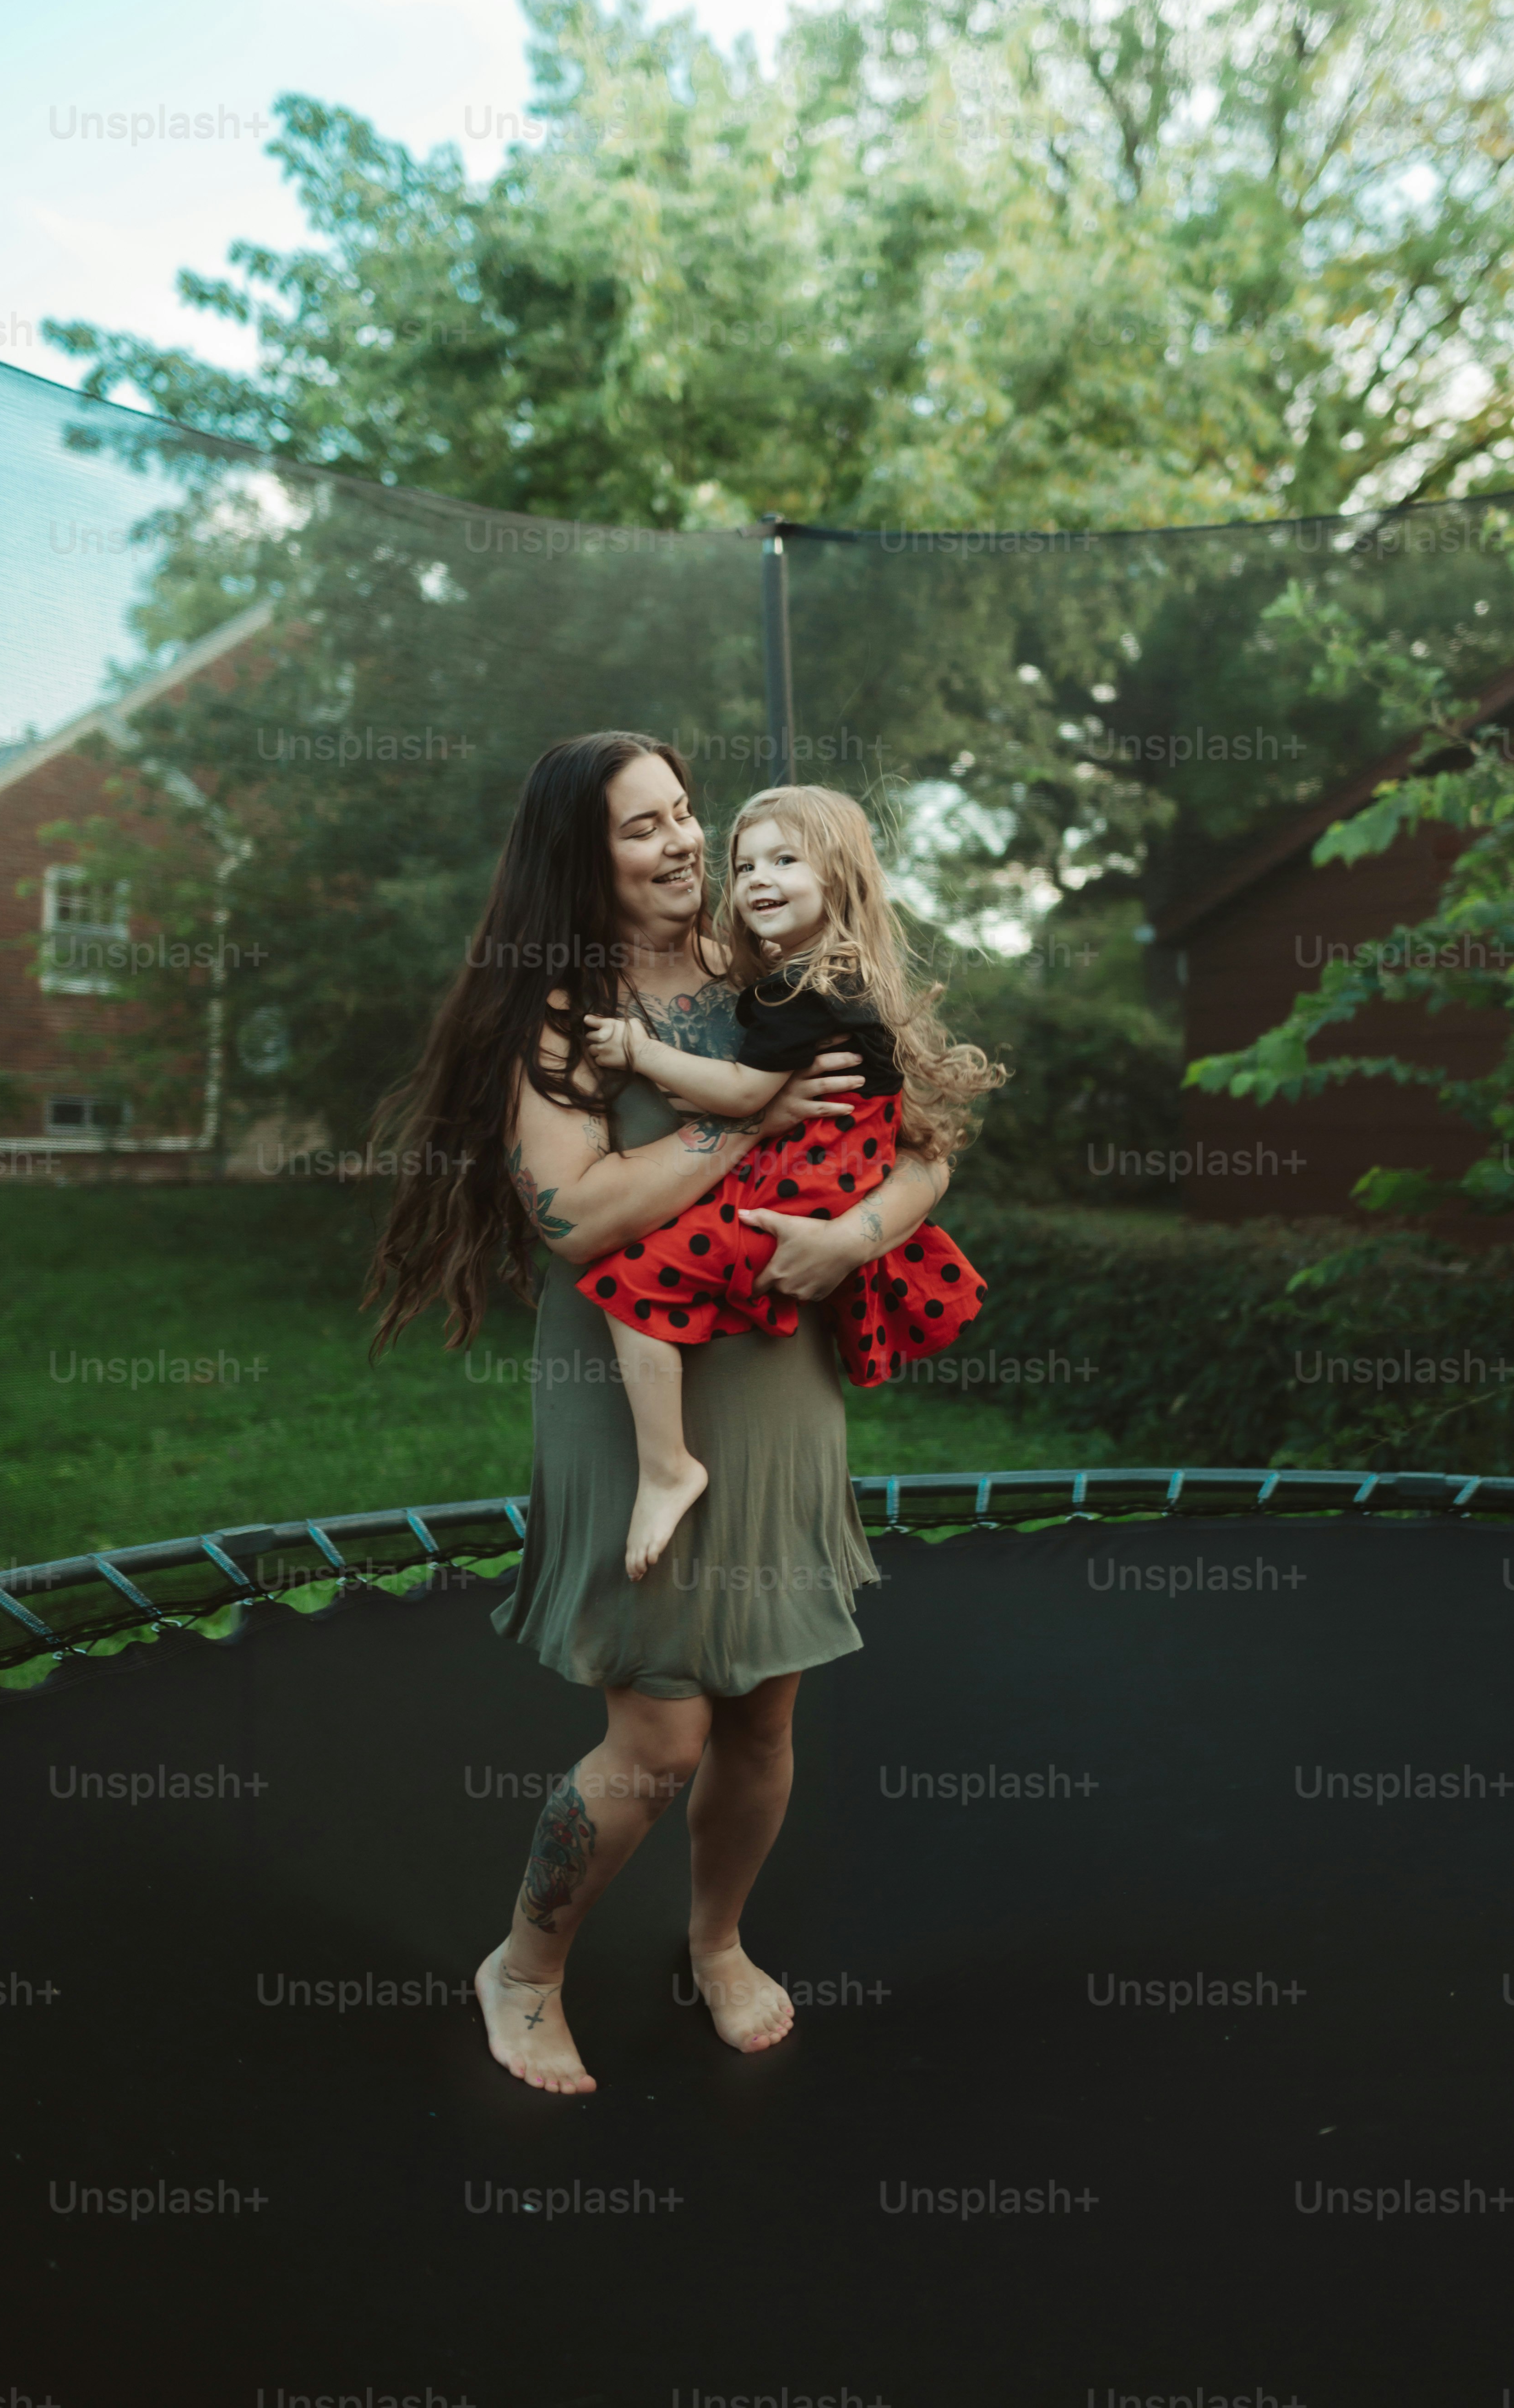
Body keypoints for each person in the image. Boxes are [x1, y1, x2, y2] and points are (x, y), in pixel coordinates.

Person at [365, 732, 957, 2094]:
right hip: (632, 1397)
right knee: (662, 1732)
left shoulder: (772, 957)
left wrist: (856, 1230)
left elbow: (920, 1146)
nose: (689, 843)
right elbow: (576, 1217)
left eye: (689, 814)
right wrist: (749, 1124)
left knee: (761, 1719)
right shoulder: (564, 1009)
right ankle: (523, 1968)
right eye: (649, 828)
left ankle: (716, 1943)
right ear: (585, 856)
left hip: (778, 1379)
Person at [579, 785, 1000, 1580]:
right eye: (743, 866)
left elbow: (743, 1094)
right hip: (828, 1175)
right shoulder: (838, 974)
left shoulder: (799, 988)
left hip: (811, 1186)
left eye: (784, 860)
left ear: (839, 877)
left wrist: (638, 1052)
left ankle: (669, 1468)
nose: (755, 880)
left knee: (630, 1282)